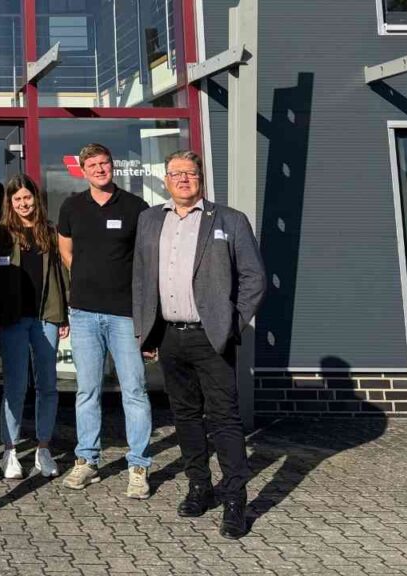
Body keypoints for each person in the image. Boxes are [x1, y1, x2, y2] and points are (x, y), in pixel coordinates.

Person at [132, 150, 265, 539]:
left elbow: (254, 279)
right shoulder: (150, 219)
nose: (183, 180)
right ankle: (199, 487)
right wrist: (147, 331)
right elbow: (141, 278)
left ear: (200, 178)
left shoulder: (229, 220)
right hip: (170, 336)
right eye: (175, 174)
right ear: (166, 180)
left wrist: (230, 324)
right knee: (186, 416)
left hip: (213, 337)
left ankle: (236, 499)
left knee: (224, 418)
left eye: (189, 173)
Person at [57, 143, 154, 499]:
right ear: (82, 170)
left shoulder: (134, 207)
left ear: (113, 166)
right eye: (93, 165)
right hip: (83, 313)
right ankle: (87, 460)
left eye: (105, 163)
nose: (100, 169)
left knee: (135, 390)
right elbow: (66, 251)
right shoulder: (72, 206)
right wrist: (86, 279)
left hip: (124, 314)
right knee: (88, 390)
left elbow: (145, 259)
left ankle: (139, 465)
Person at [0, 174, 69, 479]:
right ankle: (10, 450)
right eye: (17, 199)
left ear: (36, 198)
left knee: (48, 385)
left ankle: (44, 447)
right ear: (10, 203)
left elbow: (62, 274)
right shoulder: (0, 234)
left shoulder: (49, 232)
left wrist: (63, 314)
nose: (23, 204)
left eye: (27, 197)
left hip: (46, 317)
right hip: (13, 319)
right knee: (15, 385)